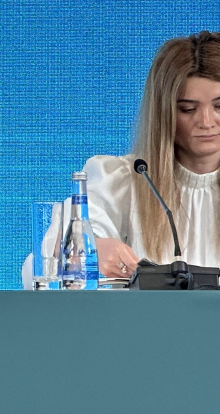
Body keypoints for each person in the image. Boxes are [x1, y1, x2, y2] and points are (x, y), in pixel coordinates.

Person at [86, 31, 220, 277]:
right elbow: (40, 267)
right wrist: (91, 250)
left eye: (219, 106)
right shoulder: (122, 180)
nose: (206, 121)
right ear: (163, 112)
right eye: (188, 109)